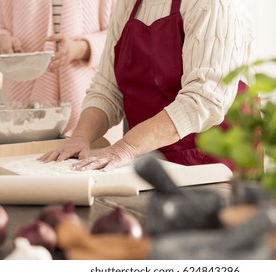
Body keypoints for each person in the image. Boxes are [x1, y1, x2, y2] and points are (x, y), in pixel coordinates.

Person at [39, 0, 254, 171]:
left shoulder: (213, 4)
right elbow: (107, 88)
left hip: (215, 163)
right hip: (156, 162)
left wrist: (127, 146)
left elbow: (204, 100)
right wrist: (80, 137)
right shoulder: (129, 3)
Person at [0, 0, 122, 142]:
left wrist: (81, 48)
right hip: (24, 103)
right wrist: (0, 41)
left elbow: (123, 34)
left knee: (93, 157)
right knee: (23, 158)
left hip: (92, 99)